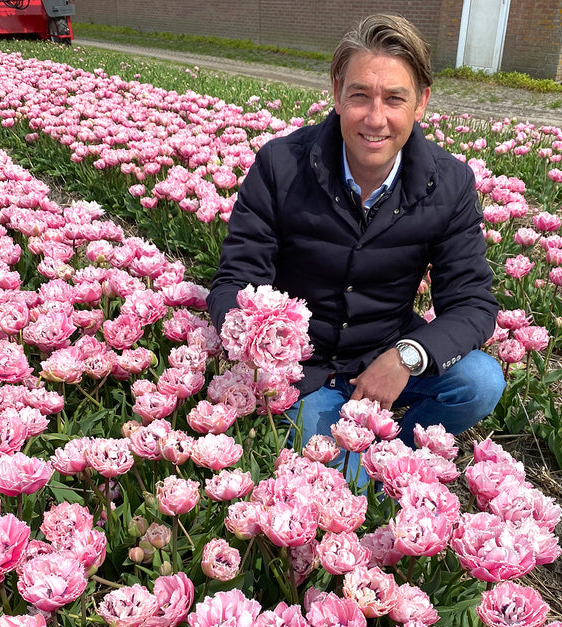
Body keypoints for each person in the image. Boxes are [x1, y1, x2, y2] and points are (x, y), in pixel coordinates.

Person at [207, 13, 505, 469]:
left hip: (383, 352)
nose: (375, 118)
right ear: (337, 93)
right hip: (300, 372)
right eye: (360, 95)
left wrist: (406, 358)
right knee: (337, 486)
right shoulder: (280, 166)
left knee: (481, 381)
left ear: (421, 102)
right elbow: (234, 281)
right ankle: (363, 472)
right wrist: (264, 351)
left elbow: (473, 303)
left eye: (394, 99)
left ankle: (391, 458)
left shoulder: (448, 184)